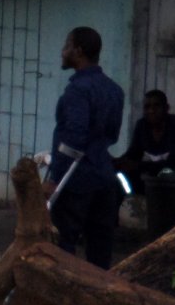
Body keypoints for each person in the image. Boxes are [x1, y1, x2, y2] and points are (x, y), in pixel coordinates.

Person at [47, 25, 125, 272]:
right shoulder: (114, 90)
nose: (62, 51)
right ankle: (99, 299)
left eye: (66, 46)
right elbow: (111, 134)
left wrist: (54, 179)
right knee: (100, 247)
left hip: (76, 179)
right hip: (104, 176)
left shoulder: (78, 90)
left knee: (64, 243)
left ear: (78, 51)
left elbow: (73, 139)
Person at [117, 89, 175, 184]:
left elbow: (174, 165)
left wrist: (138, 165)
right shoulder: (142, 126)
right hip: (160, 180)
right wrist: (116, 162)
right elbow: (133, 154)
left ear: (167, 108)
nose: (151, 111)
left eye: (156, 106)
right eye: (147, 107)